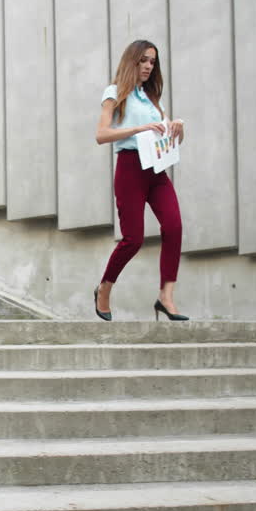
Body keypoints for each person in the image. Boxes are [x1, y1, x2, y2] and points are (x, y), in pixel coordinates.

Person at [92, 39, 189, 322]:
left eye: (152, 62)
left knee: (174, 226)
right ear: (132, 60)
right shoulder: (114, 93)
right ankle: (104, 288)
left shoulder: (150, 98)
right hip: (130, 168)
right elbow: (101, 134)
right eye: (144, 60)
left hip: (156, 170)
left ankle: (166, 297)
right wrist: (138, 128)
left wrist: (177, 129)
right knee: (133, 239)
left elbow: (171, 139)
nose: (148, 66)